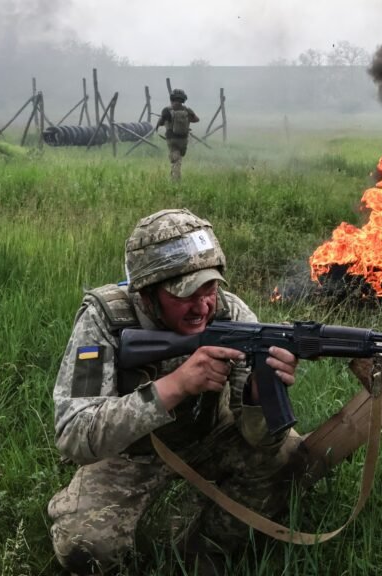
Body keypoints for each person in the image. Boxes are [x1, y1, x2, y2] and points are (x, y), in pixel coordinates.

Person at [48, 208, 300, 575]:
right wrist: (173, 387)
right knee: (84, 545)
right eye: (185, 294)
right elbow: (74, 435)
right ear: (147, 293)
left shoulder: (233, 315)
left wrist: (259, 394)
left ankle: (202, 552)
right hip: (130, 454)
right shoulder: (106, 320)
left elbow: (261, 440)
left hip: (208, 436)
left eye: (209, 288)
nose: (202, 306)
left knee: (290, 456)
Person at [154, 89, 200, 182]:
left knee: (176, 161)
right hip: (183, 139)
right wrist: (185, 120)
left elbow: (161, 123)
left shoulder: (166, 110)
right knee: (178, 159)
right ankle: (174, 177)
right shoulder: (187, 110)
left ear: (172, 98)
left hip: (172, 139)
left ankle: (175, 181)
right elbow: (196, 119)